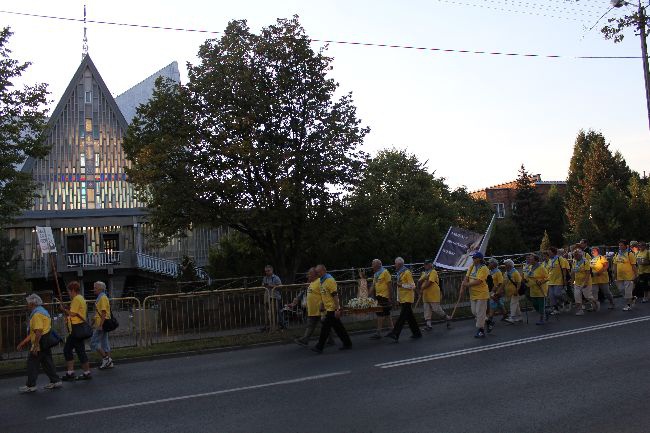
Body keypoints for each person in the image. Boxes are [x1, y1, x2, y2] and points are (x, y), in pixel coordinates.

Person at [16, 294, 61, 393]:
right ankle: (56, 381)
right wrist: (23, 343)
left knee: (32, 363)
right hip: (46, 340)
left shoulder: (36, 314)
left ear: (32, 303)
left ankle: (31, 385)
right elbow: (36, 332)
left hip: (40, 342)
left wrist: (36, 346)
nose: (27, 305)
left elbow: (38, 331)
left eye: (28, 303)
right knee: (47, 362)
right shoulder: (43, 311)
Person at [312, 265, 352, 353]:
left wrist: (337, 309)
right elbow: (324, 294)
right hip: (328, 308)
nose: (317, 274)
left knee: (325, 328)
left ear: (323, 271)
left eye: (318, 272)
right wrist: (322, 304)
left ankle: (319, 347)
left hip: (332, 308)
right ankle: (347, 343)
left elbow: (335, 295)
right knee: (338, 328)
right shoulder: (322, 281)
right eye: (316, 272)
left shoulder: (329, 280)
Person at [60, 281, 91, 381]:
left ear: (73, 290)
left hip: (76, 328)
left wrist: (63, 309)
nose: (68, 292)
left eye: (69, 290)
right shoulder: (80, 298)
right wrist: (67, 309)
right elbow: (75, 311)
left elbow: (73, 314)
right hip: (78, 328)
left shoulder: (76, 299)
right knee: (79, 350)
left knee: (68, 350)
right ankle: (85, 372)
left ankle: (71, 373)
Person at [294, 268, 334, 346]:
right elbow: (304, 292)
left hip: (320, 309)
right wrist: (296, 300)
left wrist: (323, 305)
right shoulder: (311, 282)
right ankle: (305, 340)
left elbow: (325, 294)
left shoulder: (320, 282)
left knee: (324, 325)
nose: (308, 275)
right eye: (308, 274)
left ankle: (330, 340)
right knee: (311, 325)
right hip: (313, 309)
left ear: (315, 274)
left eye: (310, 274)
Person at [385, 257, 422, 341]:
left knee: (402, 316)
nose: (394, 265)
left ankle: (395, 333)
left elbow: (413, 285)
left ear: (399, 264)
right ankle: (417, 333)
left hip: (407, 298)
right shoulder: (400, 273)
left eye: (395, 264)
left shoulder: (407, 272)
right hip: (403, 298)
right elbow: (399, 287)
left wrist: (402, 285)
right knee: (409, 317)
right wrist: (398, 299)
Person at [460, 252, 490, 338]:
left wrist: (466, 285)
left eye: (475, 258)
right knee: (474, 312)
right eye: (473, 258)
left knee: (480, 313)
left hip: (482, 293)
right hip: (473, 293)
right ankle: (488, 321)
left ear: (479, 259)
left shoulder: (484, 268)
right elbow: (466, 278)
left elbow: (479, 281)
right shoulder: (471, 266)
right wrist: (462, 288)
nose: (473, 259)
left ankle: (481, 331)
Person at [418, 259, 450, 331]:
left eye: (428, 264)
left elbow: (430, 282)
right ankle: (428, 325)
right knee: (427, 310)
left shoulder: (433, 272)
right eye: (425, 264)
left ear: (430, 264)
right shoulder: (424, 273)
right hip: (426, 294)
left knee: (436, 309)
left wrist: (422, 287)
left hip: (433, 293)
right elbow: (419, 281)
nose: (426, 265)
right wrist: (422, 280)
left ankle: (446, 317)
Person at [368, 259, 393, 339]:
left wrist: (389, 297)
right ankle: (392, 330)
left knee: (380, 314)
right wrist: (367, 295)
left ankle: (378, 332)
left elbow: (389, 285)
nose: (372, 266)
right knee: (387, 314)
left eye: (373, 264)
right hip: (378, 296)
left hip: (384, 296)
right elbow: (373, 286)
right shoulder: (376, 274)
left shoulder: (385, 272)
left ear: (379, 265)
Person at [91, 281, 113, 370]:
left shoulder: (102, 298)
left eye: (95, 288)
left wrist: (100, 325)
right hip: (101, 323)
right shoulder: (101, 297)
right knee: (104, 342)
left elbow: (104, 312)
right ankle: (109, 362)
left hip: (102, 324)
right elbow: (100, 312)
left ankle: (106, 359)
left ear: (100, 288)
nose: (94, 289)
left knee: (94, 342)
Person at [525, 253, 549, 325]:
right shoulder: (530, 267)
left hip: (540, 289)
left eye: (531, 259)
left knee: (541, 305)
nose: (529, 260)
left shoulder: (541, 268)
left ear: (535, 260)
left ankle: (541, 319)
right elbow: (527, 276)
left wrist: (541, 281)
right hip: (533, 289)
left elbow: (547, 277)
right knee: (535, 305)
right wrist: (525, 280)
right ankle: (546, 312)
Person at [614, 240, 638, 311]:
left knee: (628, 291)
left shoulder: (629, 254)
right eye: (619, 245)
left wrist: (636, 275)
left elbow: (634, 265)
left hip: (628, 276)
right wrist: (614, 273)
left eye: (621, 245)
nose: (620, 246)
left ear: (626, 246)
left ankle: (628, 305)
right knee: (621, 290)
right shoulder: (617, 254)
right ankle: (632, 298)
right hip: (619, 276)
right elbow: (615, 264)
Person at [546, 246, 570, 315]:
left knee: (557, 294)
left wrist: (564, 278)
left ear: (553, 252)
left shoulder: (560, 259)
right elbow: (548, 270)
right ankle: (556, 309)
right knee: (551, 296)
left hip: (559, 280)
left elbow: (564, 269)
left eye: (549, 253)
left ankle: (566, 301)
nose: (549, 254)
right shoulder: (550, 260)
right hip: (550, 281)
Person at [571, 249, 597, 316]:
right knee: (577, 297)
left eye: (576, 256)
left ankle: (595, 303)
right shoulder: (574, 261)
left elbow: (588, 273)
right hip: (577, 283)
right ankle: (580, 310)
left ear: (580, 255)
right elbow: (573, 272)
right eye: (574, 256)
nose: (575, 257)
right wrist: (572, 281)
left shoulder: (585, 262)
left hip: (586, 282)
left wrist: (585, 283)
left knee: (588, 296)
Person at [262, 265, 286, 330]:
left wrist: (272, 286)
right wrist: (264, 286)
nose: (267, 272)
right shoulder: (265, 278)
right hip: (267, 296)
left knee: (277, 311)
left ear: (272, 270)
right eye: (266, 271)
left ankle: (282, 325)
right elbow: (263, 286)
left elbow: (281, 287)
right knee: (268, 312)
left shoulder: (276, 278)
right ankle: (269, 326)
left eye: (268, 271)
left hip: (275, 297)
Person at [486, 258, 506, 331]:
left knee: (492, 304)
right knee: (499, 303)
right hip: (491, 290)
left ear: (493, 264)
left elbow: (500, 282)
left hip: (496, 291)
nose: (489, 264)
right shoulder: (490, 271)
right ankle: (505, 314)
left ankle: (490, 318)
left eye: (490, 263)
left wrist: (497, 290)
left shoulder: (498, 272)